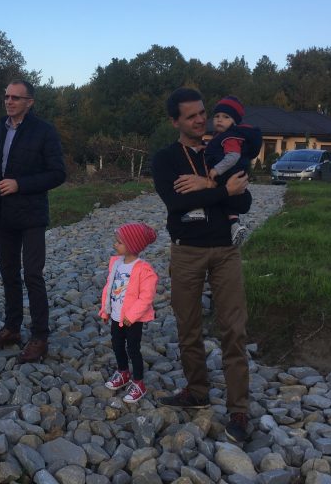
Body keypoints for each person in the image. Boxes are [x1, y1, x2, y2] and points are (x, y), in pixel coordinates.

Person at [151, 87, 253, 443]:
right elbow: (176, 203)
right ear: (175, 121)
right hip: (187, 251)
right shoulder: (165, 159)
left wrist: (206, 184)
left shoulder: (223, 150)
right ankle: (197, 391)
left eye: (202, 113)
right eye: (191, 116)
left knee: (234, 329)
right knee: (188, 327)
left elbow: (245, 200)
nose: (200, 120)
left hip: (225, 251)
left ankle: (238, 409)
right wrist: (222, 190)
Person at [0, 79, 66, 363]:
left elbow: (57, 173)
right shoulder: (1, 127)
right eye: (6, 96)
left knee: (32, 274)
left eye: (15, 98)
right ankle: (12, 328)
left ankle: (40, 336)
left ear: (29, 102)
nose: (9, 101)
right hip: (5, 212)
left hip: (32, 213)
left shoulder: (44, 131)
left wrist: (20, 184)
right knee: (8, 272)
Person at [100, 223, 159, 404]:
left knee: (133, 349)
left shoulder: (143, 269)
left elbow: (146, 297)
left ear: (132, 246)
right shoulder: (116, 264)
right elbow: (109, 288)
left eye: (119, 242)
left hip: (132, 320)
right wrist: (105, 310)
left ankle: (139, 382)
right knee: (117, 345)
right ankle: (123, 372)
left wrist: (131, 316)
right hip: (116, 316)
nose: (115, 245)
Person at [204, 95, 262, 246]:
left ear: (234, 121)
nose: (219, 120)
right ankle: (234, 224)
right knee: (228, 200)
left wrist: (216, 170)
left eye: (226, 117)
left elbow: (233, 156)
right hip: (231, 175)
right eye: (217, 116)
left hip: (228, 173)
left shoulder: (231, 137)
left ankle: (199, 210)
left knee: (214, 190)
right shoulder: (221, 136)